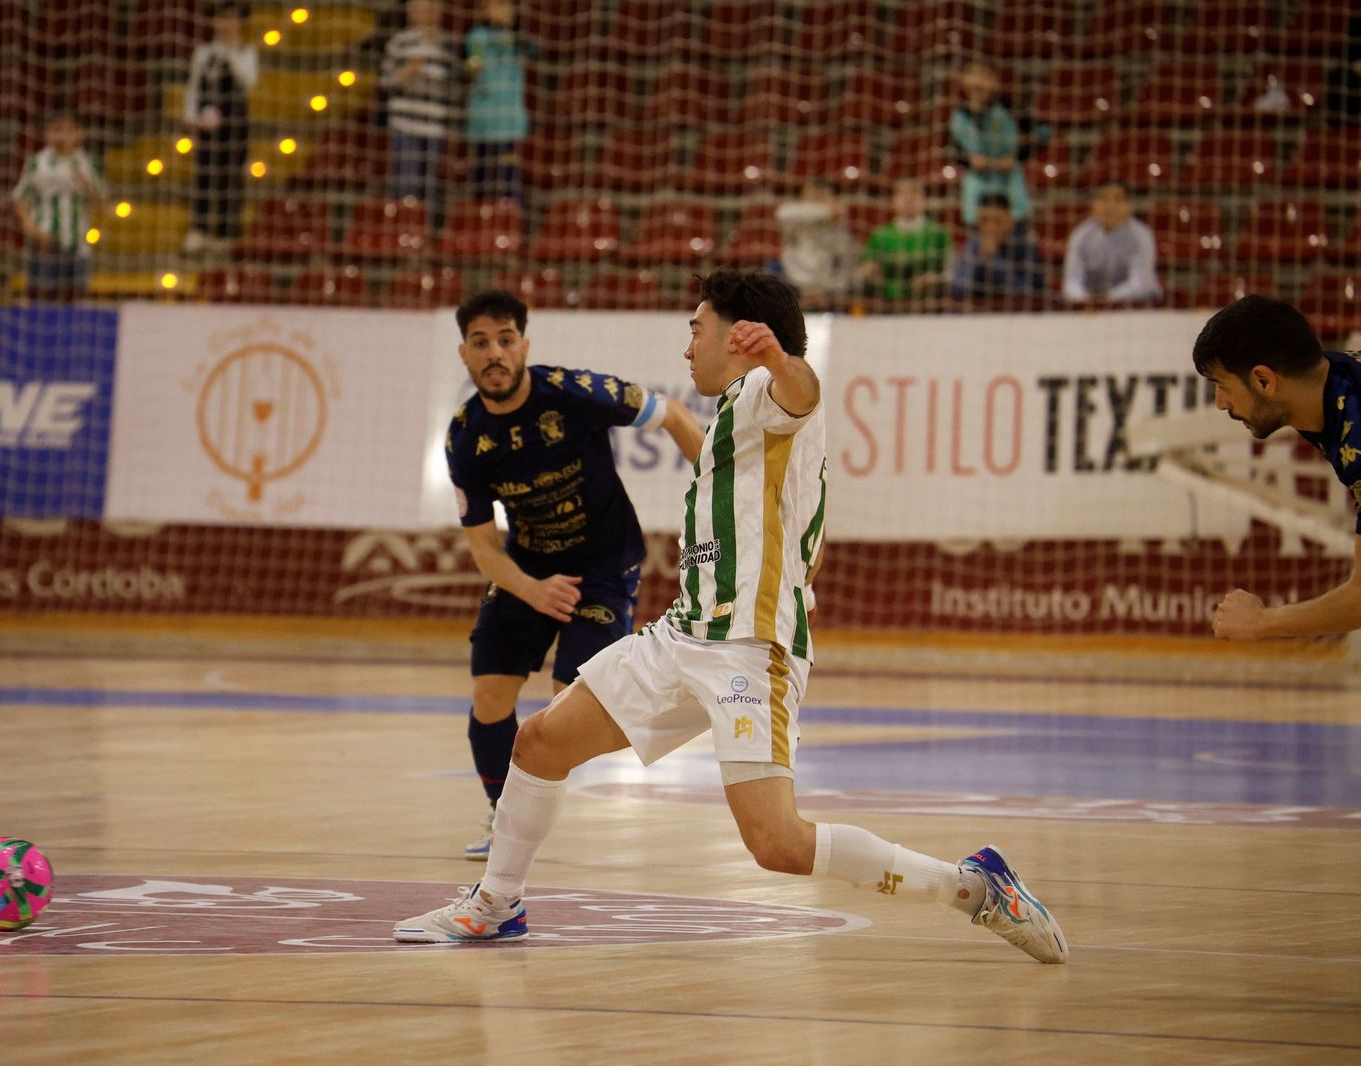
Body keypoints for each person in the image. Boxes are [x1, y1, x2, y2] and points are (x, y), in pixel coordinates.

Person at [395, 270, 1069, 965]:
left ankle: (974, 888)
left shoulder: (765, 393)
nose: (688, 347)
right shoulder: (733, 416)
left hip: (749, 651)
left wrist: (781, 361)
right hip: (686, 634)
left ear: (741, 337)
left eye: (697, 327)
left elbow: (802, 393)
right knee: (538, 742)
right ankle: (495, 904)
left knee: (776, 845)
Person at [440, 289, 705, 859]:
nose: (495, 353)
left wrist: (722, 491)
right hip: (529, 567)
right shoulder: (465, 436)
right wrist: (531, 588)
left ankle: (660, 703)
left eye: (506, 340)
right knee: (490, 695)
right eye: (481, 343)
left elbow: (676, 414)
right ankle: (501, 817)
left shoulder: (573, 392)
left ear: (524, 346)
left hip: (603, 565)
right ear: (464, 354)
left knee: (568, 709)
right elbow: (485, 547)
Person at [1192, 296, 1361, 639]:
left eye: (1223, 386)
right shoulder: (1331, 380)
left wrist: (1261, 622)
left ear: (1265, 381)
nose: (1221, 403)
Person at [181, 1, 258, 255]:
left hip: (235, 127)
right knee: (204, 175)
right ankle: (199, 230)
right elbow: (193, 87)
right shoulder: (203, 54)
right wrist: (191, 116)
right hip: (207, 126)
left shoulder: (246, 52)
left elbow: (249, 81)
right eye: (222, 19)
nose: (227, 24)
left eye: (232, 19)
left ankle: (226, 233)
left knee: (231, 177)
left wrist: (230, 53)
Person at [11, 113, 107, 301]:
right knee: (40, 298)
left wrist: (87, 186)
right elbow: (19, 198)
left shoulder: (87, 163)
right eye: (57, 130)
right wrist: (29, 226)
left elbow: (103, 204)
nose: (62, 136)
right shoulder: (37, 162)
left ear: (80, 134)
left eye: (68, 131)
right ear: (47, 134)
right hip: (44, 243)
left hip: (78, 242)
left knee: (76, 299)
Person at [383, 0, 456, 219]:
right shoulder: (400, 42)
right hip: (404, 123)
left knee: (429, 185)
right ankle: (401, 229)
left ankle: (423, 233)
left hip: (433, 124)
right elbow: (386, 81)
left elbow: (453, 85)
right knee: (406, 180)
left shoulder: (446, 43)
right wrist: (407, 72)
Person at [463, 0, 533, 204]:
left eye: (503, 5)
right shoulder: (478, 36)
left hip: (509, 121)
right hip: (484, 120)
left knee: (509, 177)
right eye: (494, 6)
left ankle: (510, 221)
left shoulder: (518, 39)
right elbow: (473, 62)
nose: (500, 11)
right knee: (483, 176)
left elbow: (536, 51)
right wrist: (474, 67)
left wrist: (510, 33)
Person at [949, 61, 1032, 227]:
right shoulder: (958, 116)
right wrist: (969, 160)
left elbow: (1038, 134)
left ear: (995, 81)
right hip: (978, 186)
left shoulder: (1010, 108)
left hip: (1010, 185)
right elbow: (952, 151)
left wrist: (1015, 158)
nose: (978, 82)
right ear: (963, 80)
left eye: (984, 76)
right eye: (973, 75)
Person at [1062, 181, 1162, 306]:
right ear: (1093, 205)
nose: (1110, 206)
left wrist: (1107, 298)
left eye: (1118, 200)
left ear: (1130, 206)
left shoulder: (1141, 235)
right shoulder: (1081, 235)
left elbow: (1141, 284)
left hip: (1140, 307)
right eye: (1103, 199)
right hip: (1092, 306)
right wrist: (1085, 299)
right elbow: (1071, 282)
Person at [857, 178, 952, 308]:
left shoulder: (938, 233)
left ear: (924, 200)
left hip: (929, 305)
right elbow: (865, 271)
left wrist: (934, 279)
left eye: (914, 193)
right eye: (902, 194)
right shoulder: (880, 235)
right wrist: (871, 273)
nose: (909, 199)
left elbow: (952, 271)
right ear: (893, 201)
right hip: (887, 305)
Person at [771, 178, 859, 311]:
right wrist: (828, 212)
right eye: (813, 196)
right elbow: (782, 213)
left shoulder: (838, 232)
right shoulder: (794, 218)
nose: (817, 202)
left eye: (822, 197)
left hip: (828, 292)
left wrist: (827, 290)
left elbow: (846, 268)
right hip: (793, 283)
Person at [949, 193, 1044, 303]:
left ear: (1010, 222)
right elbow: (957, 289)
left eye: (997, 221)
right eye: (984, 220)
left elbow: (1027, 291)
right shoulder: (974, 243)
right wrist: (981, 259)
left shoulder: (1024, 244)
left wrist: (993, 259)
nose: (990, 227)